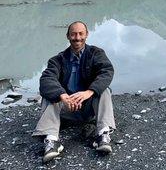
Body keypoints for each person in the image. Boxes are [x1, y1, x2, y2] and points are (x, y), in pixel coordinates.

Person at [32, 21, 116, 163]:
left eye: (81, 33)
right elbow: (46, 79)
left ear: (86, 35)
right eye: (73, 34)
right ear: (68, 36)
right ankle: (52, 142)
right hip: (67, 110)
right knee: (49, 95)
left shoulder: (96, 53)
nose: (77, 37)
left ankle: (103, 135)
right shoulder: (57, 60)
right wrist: (63, 96)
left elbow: (106, 72)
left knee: (104, 90)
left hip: (89, 108)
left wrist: (89, 92)